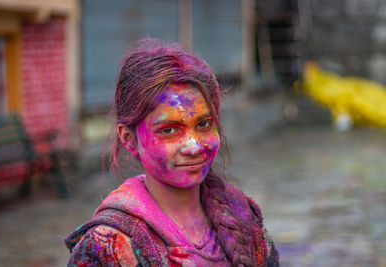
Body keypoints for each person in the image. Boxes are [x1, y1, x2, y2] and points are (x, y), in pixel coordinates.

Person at [65, 39, 279, 266]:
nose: (194, 146)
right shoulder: (108, 247)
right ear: (128, 138)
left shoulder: (243, 215)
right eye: (169, 130)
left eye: (204, 124)